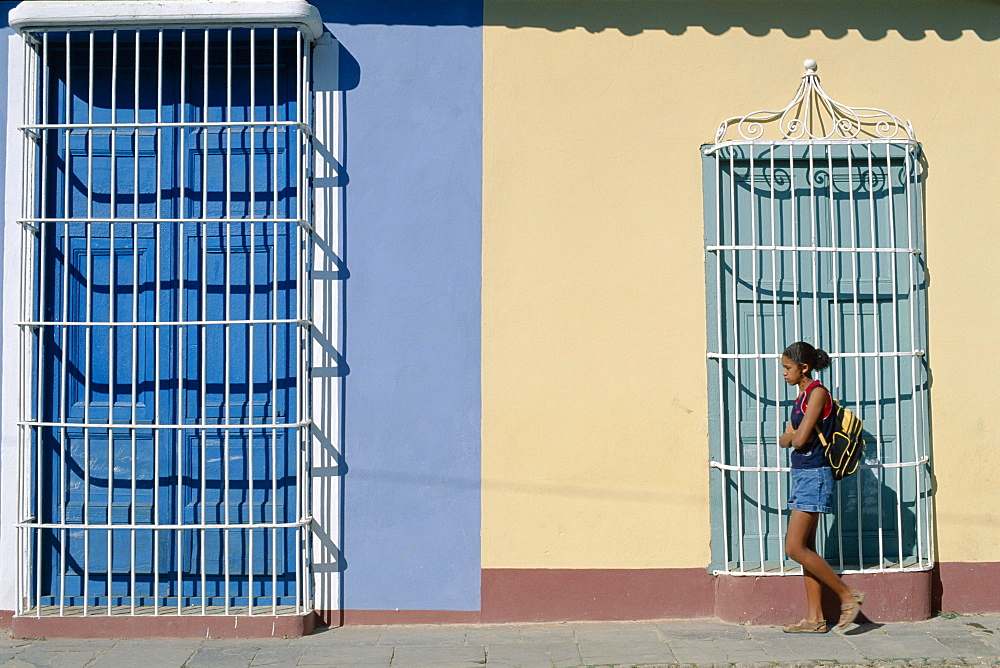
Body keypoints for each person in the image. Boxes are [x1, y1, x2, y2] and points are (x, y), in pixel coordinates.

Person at [778, 341, 864, 633]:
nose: (784, 374)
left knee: (793, 547)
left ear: (804, 368)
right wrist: (791, 436)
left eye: (787, 368)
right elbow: (784, 438)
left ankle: (846, 595)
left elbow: (797, 440)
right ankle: (815, 619)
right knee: (806, 548)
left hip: (815, 474)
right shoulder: (801, 396)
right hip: (802, 473)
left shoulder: (817, 393)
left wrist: (792, 436)